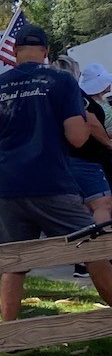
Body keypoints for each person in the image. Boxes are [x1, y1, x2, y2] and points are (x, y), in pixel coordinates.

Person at [0, 24, 112, 321]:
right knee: (93, 249)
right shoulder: (61, 81)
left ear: (15, 51)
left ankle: (8, 333)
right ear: (45, 50)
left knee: (14, 264)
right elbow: (77, 138)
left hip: (7, 187)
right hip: (52, 183)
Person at [55, 58, 112, 277]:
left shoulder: (52, 97)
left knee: (83, 211)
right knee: (102, 205)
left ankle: (83, 261)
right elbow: (90, 121)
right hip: (86, 159)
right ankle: (101, 255)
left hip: (64, 161)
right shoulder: (76, 96)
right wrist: (108, 143)